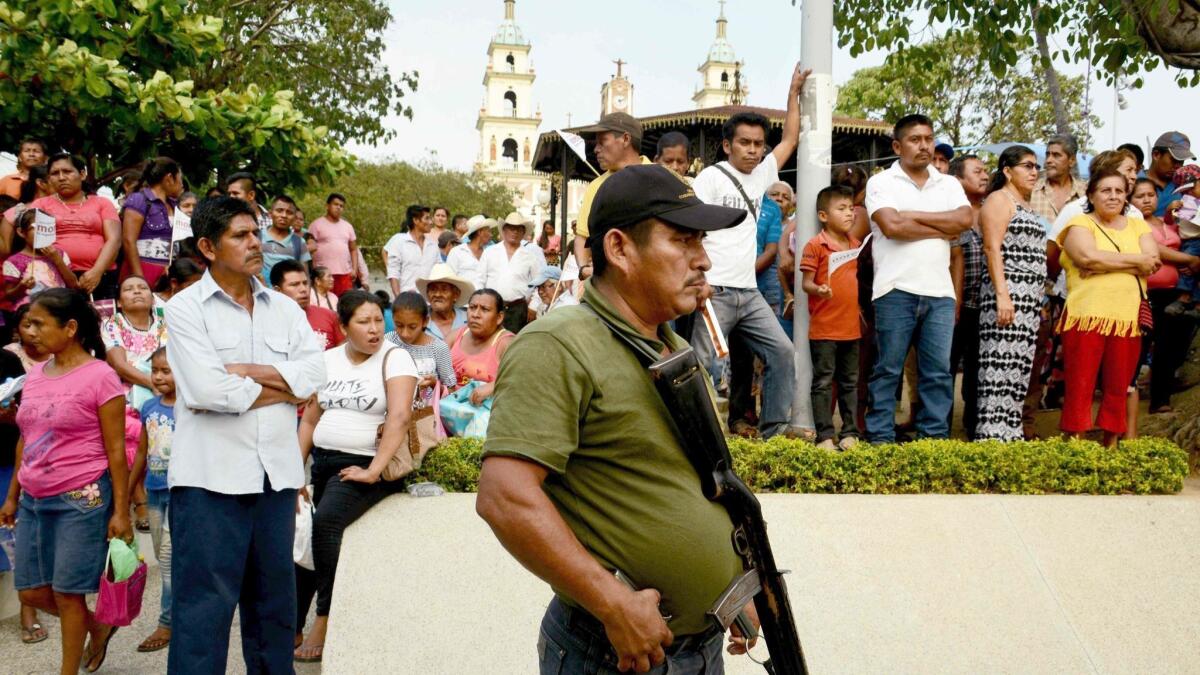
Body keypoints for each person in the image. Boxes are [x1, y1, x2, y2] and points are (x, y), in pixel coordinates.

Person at [476, 164, 757, 675]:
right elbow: (504, 498)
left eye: (702, 242)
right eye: (683, 240)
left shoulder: (667, 344)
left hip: (700, 645)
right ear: (620, 249)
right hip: (614, 652)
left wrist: (731, 584)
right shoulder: (558, 344)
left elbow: (691, 483)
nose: (703, 260)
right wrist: (612, 602)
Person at [163, 196, 326, 674]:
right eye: (240, 235)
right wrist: (285, 386)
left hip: (275, 479)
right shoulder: (185, 309)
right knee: (202, 615)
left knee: (274, 612)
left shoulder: (285, 308)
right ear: (208, 247)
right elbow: (209, 390)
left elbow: (315, 374)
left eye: (255, 232)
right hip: (209, 484)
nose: (255, 242)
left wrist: (249, 373)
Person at [0, 289, 131, 674]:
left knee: (67, 593)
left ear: (71, 328)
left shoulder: (101, 376)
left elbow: (116, 451)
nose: (30, 332)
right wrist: (12, 495)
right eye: (28, 324)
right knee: (31, 591)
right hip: (33, 499)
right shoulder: (35, 374)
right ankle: (97, 626)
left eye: (40, 324)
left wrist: (121, 511)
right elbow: (27, 435)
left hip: (82, 497)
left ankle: (67, 670)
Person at [293, 291, 416, 663]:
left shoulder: (396, 359)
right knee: (300, 537)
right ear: (344, 327)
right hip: (324, 463)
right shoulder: (327, 359)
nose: (375, 329)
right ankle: (292, 620)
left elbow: (399, 417)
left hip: (368, 465)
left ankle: (325, 617)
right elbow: (311, 418)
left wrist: (373, 470)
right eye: (364, 322)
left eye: (379, 320)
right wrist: (293, 472)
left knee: (327, 524)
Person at [690, 64, 811, 439]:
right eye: (745, 143)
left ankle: (773, 434)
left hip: (750, 292)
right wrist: (698, 282)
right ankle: (699, 440)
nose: (754, 150)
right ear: (727, 145)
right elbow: (690, 233)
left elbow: (790, 139)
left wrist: (792, 93)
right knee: (702, 366)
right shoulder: (709, 178)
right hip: (716, 291)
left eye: (759, 144)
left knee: (782, 353)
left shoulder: (763, 174)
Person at [863, 114, 973, 443]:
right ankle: (880, 441)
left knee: (938, 374)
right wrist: (943, 225)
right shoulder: (881, 183)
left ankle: (933, 443)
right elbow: (892, 227)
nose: (924, 145)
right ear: (898, 146)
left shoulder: (948, 183)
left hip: (939, 292)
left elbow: (965, 220)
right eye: (915, 139)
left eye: (928, 138)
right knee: (887, 371)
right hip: (895, 289)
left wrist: (912, 215)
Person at [1056, 166, 1158, 447]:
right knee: (1080, 384)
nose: (1113, 196)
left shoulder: (1138, 225)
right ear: (1091, 194)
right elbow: (1087, 258)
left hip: (1127, 318)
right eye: (1105, 190)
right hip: (1086, 316)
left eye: (1119, 191)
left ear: (1126, 196)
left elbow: (1152, 260)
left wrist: (1107, 262)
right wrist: (1134, 262)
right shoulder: (1080, 223)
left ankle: (1111, 444)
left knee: (1118, 386)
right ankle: (1074, 442)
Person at [974, 146, 1048, 441]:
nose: (1034, 172)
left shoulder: (1027, 205)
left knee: (1018, 371)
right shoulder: (998, 199)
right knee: (999, 368)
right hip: (1007, 295)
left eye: (1036, 166)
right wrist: (1003, 295)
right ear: (1007, 170)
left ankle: (1010, 434)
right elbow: (992, 248)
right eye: (1027, 166)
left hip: (1029, 300)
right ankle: (992, 438)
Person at [800, 185, 862, 450]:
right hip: (824, 328)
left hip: (851, 328)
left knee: (850, 382)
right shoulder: (816, 245)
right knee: (824, 382)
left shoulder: (856, 244)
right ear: (824, 216)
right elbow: (806, 283)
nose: (849, 213)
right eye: (842, 209)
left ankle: (850, 433)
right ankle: (824, 435)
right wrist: (819, 289)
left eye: (851, 208)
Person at [1131, 178, 1198, 413]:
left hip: (1173, 295)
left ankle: (1160, 399)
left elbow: (1187, 242)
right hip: (1145, 294)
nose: (1147, 199)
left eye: (1150, 194)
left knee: (1167, 349)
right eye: (1140, 196)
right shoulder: (1132, 225)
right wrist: (1189, 260)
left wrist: (1188, 266)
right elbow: (1155, 251)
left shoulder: (1167, 223)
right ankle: (1127, 399)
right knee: (1140, 347)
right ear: (1130, 201)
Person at [128, 347, 176, 653]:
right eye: (155, 370)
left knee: (170, 560)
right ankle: (181, 609)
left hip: (181, 494)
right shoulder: (149, 407)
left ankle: (167, 622)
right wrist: (128, 495)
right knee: (163, 555)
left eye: (166, 371)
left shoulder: (191, 409)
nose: (158, 377)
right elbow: (143, 453)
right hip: (155, 491)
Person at [30, 154, 121, 299]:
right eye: (54, 173)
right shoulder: (41, 205)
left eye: (67, 171)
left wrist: (96, 272)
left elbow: (114, 240)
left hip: (100, 275)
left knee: (101, 320)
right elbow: (37, 242)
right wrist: (64, 270)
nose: (61, 177)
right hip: (53, 275)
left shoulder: (102, 203)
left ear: (82, 174)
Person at [572, 112, 653, 267]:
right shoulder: (595, 187)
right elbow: (582, 237)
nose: (596, 149)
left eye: (602, 142)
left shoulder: (662, 179)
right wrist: (583, 270)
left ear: (625, 139)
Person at [946, 154, 990, 438]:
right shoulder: (951, 212)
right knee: (944, 368)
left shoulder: (993, 210)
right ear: (959, 179)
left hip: (984, 306)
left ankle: (973, 427)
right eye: (977, 171)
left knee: (977, 370)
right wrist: (954, 301)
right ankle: (939, 428)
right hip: (951, 304)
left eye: (986, 170)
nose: (985, 175)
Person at [2, 208, 80, 320]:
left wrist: (57, 260)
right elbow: (9, 296)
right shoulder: (14, 261)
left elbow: (73, 285)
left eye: (46, 229)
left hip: (60, 311)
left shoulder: (60, 255)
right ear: (21, 232)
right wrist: (22, 287)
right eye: (37, 228)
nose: (41, 233)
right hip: (29, 313)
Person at [121, 157, 184, 288]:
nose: (182, 184)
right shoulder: (139, 200)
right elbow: (128, 241)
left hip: (169, 276)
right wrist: (140, 280)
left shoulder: (174, 205)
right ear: (169, 178)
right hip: (143, 272)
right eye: (180, 179)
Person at [387, 292, 456, 410]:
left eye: (412, 327)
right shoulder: (388, 341)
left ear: (425, 321)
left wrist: (434, 384)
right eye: (399, 325)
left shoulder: (438, 348)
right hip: (392, 413)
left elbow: (452, 390)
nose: (405, 333)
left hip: (425, 418)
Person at [477, 212, 543, 334]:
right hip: (491, 306)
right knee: (489, 342)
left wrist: (533, 306)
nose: (515, 232)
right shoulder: (490, 252)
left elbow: (539, 283)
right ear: (504, 230)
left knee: (514, 344)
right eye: (511, 228)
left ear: (523, 233)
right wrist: (480, 305)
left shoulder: (530, 256)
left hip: (517, 309)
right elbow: (479, 280)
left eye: (519, 229)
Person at [449, 289, 513, 402]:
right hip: (449, 408)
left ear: (499, 318)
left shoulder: (506, 343)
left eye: (485, 309)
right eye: (472, 307)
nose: (475, 314)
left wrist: (494, 386)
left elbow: (523, 379)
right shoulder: (456, 336)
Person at [272, 258, 344, 350]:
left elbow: (342, 354)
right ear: (278, 291)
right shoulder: (267, 321)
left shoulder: (330, 316)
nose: (303, 289)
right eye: (294, 284)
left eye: (305, 283)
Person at [1163, 164, 1200, 317]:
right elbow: (1169, 222)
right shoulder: (1182, 204)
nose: (1190, 192)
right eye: (1186, 190)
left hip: (1197, 240)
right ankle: (1186, 299)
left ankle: (1193, 303)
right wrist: (1168, 210)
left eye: (1193, 188)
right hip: (1188, 242)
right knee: (1187, 270)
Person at [309, 193, 361, 294]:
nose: (338, 208)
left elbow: (353, 249)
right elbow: (308, 249)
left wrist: (354, 269)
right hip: (323, 274)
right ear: (327, 206)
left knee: (345, 303)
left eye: (341, 206)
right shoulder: (316, 225)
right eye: (335, 204)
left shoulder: (348, 226)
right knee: (325, 302)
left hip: (345, 273)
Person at [1030, 135, 1086, 226]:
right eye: (1047, 154)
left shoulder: (1086, 193)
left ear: (1071, 160)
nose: (1048, 160)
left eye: (1056, 155)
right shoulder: (1031, 190)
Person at [384, 204, 439, 295]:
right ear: (416, 220)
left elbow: (438, 271)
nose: (431, 222)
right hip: (406, 299)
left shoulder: (433, 245)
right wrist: (398, 298)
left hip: (429, 300)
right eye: (427, 218)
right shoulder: (399, 241)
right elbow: (393, 273)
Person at [416, 263, 473, 341]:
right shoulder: (419, 322)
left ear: (456, 295)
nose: (437, 294)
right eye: (433, 289)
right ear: (427, 294)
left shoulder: (469, 319)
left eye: (444, 289)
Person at [260, 195, 309, 285]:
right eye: (279, 211)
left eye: (289, 212)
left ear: (294, 217)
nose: (284, 215)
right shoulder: (257, 237)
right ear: (270, 214)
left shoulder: (299, 242)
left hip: (288, 296)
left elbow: (305, 276)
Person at [1145, 132, 1194, 217]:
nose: (1178, 166)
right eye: (1174, 160)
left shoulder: (1184, 187)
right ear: (1156, 155)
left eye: (1181, 161)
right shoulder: (1133, 183)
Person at [446, 215, 493, 285]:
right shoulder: (457, 252)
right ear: (480, 232)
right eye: (489, 231)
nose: (491, 235)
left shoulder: (489, 253)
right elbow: (449, 278)